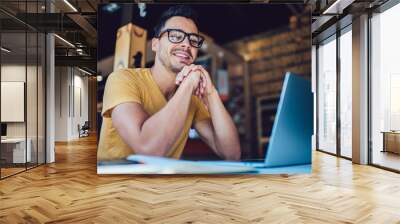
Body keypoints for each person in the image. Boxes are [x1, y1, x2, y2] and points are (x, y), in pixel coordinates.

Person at [98, 5, 241, 161]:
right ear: (155, 44)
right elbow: (148, 148)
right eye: (175, 35)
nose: (187, 44)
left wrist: (211, 92)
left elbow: (231, 153)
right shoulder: (123, 79)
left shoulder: (192, 99)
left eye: (193, 40)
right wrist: (188, 84)